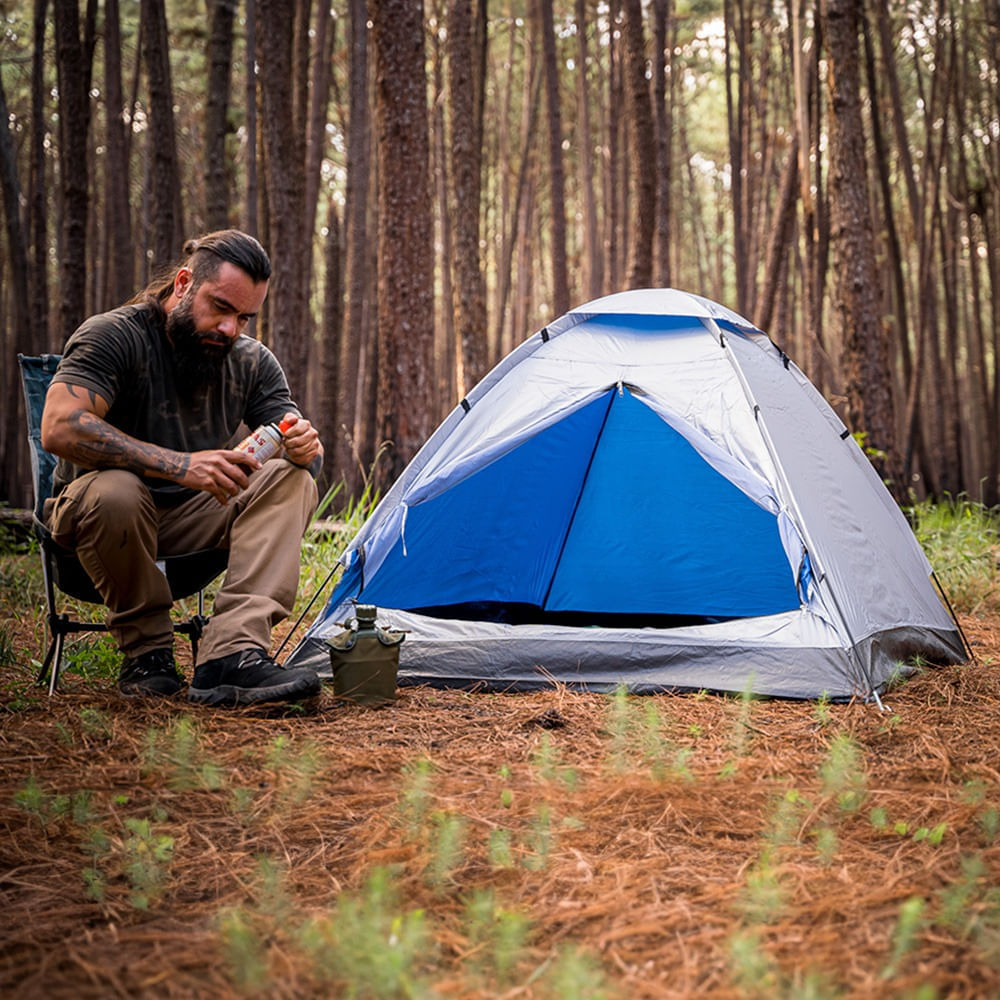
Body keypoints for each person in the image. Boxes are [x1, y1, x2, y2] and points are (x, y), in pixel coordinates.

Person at [40, 229, 323, 707]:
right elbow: (59, 427)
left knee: (289, 479)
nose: (230, 328)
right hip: (93, 537)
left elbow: (300, 452)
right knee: (117, 490)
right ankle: (147, 655)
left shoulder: (251, 362)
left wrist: (303, 448)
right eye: (220, 308)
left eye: (244, 317)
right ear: (185, 283)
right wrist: (180, 466)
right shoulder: (114, 334)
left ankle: (231, 655)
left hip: (191, 536)